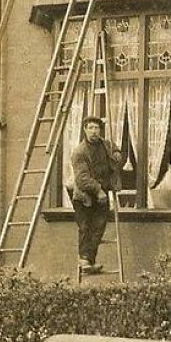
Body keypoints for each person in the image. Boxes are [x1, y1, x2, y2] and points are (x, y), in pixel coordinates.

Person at [68, 116, 123, 273]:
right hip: (84, 195)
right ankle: (84, 260)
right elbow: (82, 179)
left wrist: (117, 154)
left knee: (99, 227)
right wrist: (98, 190)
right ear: (85, 130)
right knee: (85, 228)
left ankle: (89, 262)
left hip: (102, 194)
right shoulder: (79, 152)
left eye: (97, 128)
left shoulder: (106, 145)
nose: (94, 131)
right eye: (90, 128)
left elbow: (116, 150)